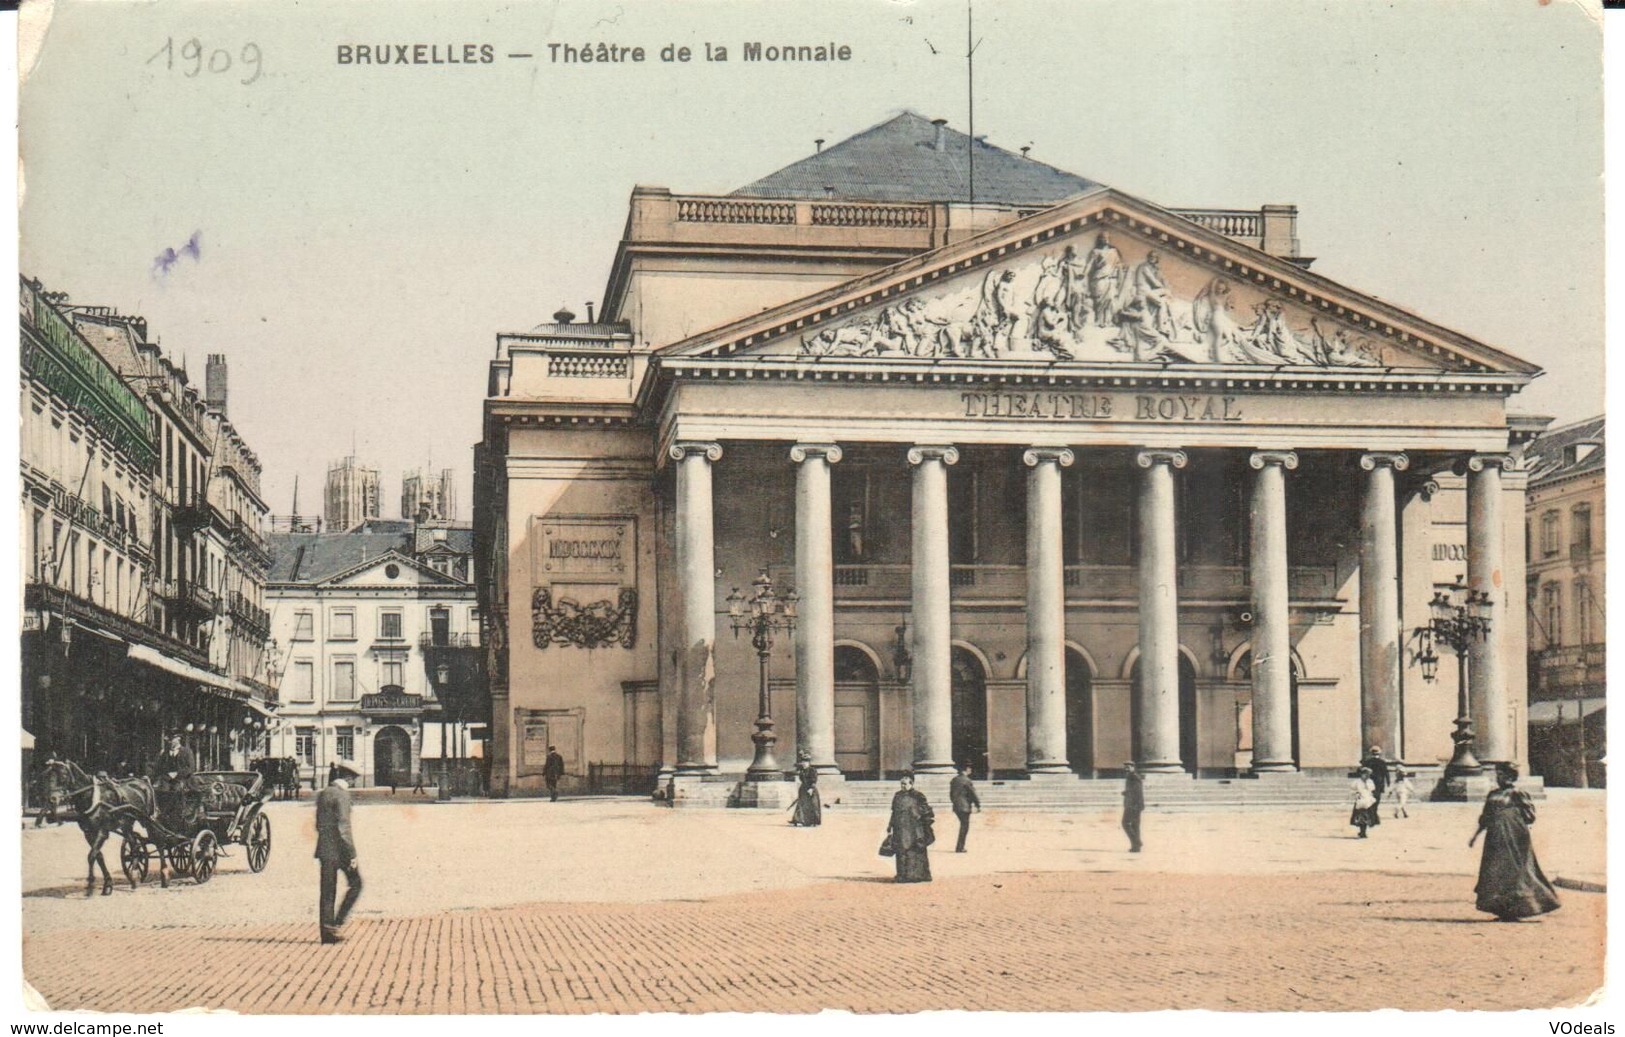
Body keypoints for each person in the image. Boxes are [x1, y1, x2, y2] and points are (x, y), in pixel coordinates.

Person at [1469, 763, 1560, 922]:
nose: (1499, 778)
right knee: (1496, 872)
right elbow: (1485, 817)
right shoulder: (1493, 794)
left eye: (1503, 775)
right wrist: (1475, 836)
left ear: (1511, 777)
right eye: (1498, 775)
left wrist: (1511, 819)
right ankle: (1503, 910)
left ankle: (1520, 909)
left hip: (1515, 839)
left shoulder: (1518, 794)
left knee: (1516, 872)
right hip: (1495, 839)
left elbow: (1530, 816)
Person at [316, 763, 363, 944]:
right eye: (353, 780)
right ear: (348, 778)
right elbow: (344, 827)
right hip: (340, 851)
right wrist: (351, 854)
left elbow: (318, 824)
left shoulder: (324, 793)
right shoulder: (342, 795)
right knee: (356, 884)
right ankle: (337, 922)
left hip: (324, 850)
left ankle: (327, 931)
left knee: (327, 891)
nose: (352, 783)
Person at [884, 773, 934, 883]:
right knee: (901, 851)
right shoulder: (897, 796)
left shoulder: (918, 796)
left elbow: (927, 811)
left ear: (911, 783)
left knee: (914, 851)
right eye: (901, 784)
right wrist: (890, 825)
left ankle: (917, 875)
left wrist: (921, 819)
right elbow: (894, 812)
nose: (903, 786)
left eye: (905, 784)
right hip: (900, 829)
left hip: (914, 830)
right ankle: (902, 875)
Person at [949, 763, 981, 852]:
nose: (970, 770)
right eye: (969, 768)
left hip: (957, 806)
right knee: (964, 827)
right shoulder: (967, 780)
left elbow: (951, 794)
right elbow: (972, 794)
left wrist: (955, 802)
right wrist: (978, 805)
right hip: (965, 806)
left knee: (963, 826)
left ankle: (960, 846)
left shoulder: (954, 780)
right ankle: (960, 847)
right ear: (965, 770)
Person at [789, 750, 822, 827]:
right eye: (803, 762)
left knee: (812, 805)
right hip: (803, 789)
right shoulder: (802, 771)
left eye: (805, 762)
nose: (804, 763)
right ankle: (798, 819)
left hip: (811, 789)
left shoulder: (812, 770)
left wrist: (811, 788)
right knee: (801, 804)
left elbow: (814, 779)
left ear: (809, 763)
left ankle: (812, 821)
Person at [1350, 766, 1379, 838]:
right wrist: (1356, 793)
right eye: (1365, 774)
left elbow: (1372, 790)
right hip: (1360, 801)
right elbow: (1352, 791)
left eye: (1368, 775)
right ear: (1361, 774)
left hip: (1368, 801)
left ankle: (1363, 831)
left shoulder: (1370, 782)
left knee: (1367, 817)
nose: (1366, 776)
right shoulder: (1356, 782)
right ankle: (1362, 831)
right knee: (1360, 817)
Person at [1122, 762, 1145, 852]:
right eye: (1125, 767)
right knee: (1135, 826)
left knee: (1125, 823)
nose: (1126, 769)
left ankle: (1137, 842)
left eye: (1128, 767)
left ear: (1133, 767)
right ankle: (1135, 847)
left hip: (1133, 805)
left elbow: (1137, 792)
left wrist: (1127, 794)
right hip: (1135, 804)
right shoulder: (1131, 776)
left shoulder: (1134, 777)